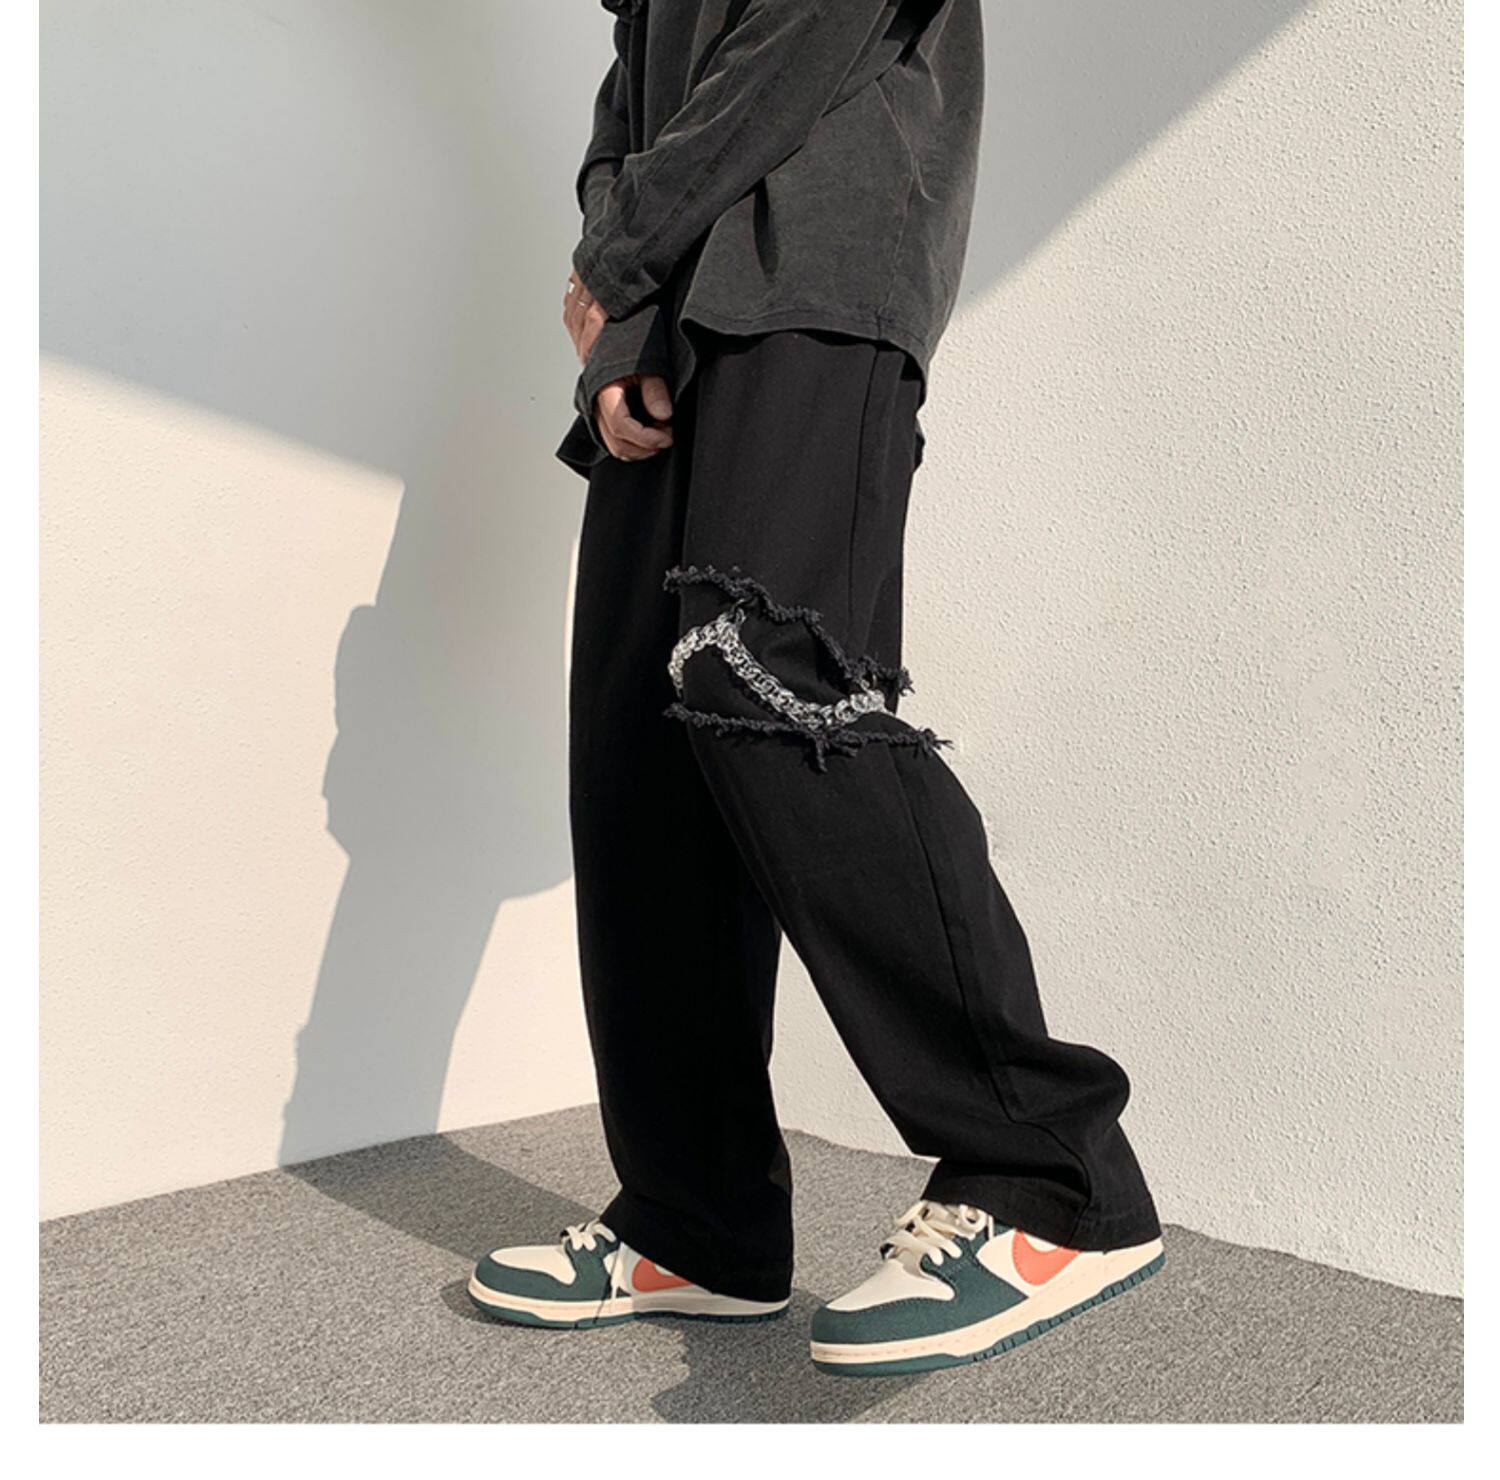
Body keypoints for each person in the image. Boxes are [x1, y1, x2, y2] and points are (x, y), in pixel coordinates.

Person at [469, 0, 1163, 1377]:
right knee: (641, 743)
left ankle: (1051, 1176)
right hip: (670, 313)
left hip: (817, 272)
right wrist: (621, 323)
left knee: (762, 686)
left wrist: (615, 258)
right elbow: (637, 80)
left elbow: (805, 28)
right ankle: (697, 1217)